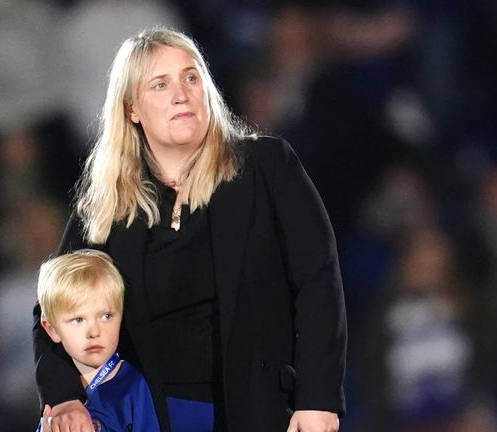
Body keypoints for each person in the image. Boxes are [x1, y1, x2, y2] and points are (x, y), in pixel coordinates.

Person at [31, 27, 347, 432]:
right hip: (148, 418)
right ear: (132, 109)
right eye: (160, 85)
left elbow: (319, 282)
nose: (181, 94)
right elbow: (52, 308)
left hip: (260, 411)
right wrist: (64, 398)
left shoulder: (266, 167)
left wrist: (318, 399)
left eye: (191, 77)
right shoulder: (108, 202)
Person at [35, 249, 160, 431]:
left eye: (106, 316)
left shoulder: (134, 386)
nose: (94, 331)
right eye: (78, 320)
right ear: (51, 329)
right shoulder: (56, 398)